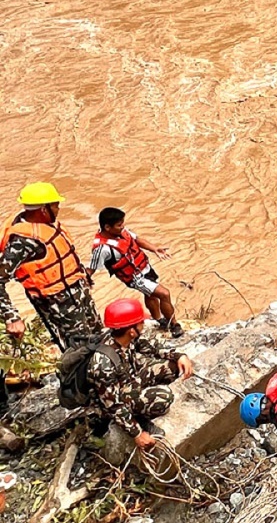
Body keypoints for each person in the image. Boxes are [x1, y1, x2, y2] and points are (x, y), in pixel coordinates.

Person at [0, 183, 102, 350]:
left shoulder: (47, 224)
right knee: (81, 350)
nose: (59, 209)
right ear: (43, 210)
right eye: (55, 205)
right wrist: (12, 317)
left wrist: (84, 278)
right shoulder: (22, 242)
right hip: (58, 305)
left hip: (78, 293)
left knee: (98, 335)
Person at [88, 298, 194, 450]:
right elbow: (113, 406)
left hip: (130, 381)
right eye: (141, 323)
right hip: (114, 400)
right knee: (164, 397)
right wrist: (137, 433)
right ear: (132, 330)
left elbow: (152, 347)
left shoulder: (124, 335)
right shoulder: (103, 365)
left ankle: (140, 405)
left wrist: (178, 355)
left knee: (172, 367)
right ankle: (140, 418)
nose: (143, 325)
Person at [88, 207, 182, 338]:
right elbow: (91, 268)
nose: (123, 226)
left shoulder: (121, 232)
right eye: (119, 225)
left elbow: (137, 240)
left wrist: (154, 249)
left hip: (145, 267)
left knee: (151, 295)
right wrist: (84, 281)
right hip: (135, 278)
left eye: (122, 223)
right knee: (164, 294)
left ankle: (159, 320)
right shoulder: (102, 249)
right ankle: (174, 325)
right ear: (107, 227)